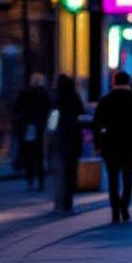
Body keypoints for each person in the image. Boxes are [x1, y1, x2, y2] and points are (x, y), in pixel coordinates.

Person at [91, 70, 132, 223]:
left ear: (114, 81)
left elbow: (96, 123)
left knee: (112, 178)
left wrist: (98, 143)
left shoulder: (106, 100)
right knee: (128, 178)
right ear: (128, 82)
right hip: (130, 144)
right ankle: (125, 205)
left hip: (110, 144)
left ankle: (115, 209)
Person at [49, 74, 87, 212]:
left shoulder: (56, 99)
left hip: (61, 138)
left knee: (60, 172)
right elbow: (82, 113)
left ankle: (59, 202)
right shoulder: (75, 97)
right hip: (74, 137)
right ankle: (68, 201)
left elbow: (53, 119)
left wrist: (51, 132)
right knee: (71, 171)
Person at [13, 72, 52, 192]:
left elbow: (17, 108)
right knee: (39, 155)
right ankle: (40, 182)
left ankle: (30, 181)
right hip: (40, 127)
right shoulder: (45, 95)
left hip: (29, 127)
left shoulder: (26, 93)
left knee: (29, 155)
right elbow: (50, 111)